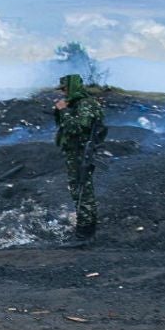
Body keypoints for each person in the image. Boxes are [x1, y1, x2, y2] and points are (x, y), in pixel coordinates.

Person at [53, 73, 107, 242]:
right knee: (78, 189)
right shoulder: (79, 103)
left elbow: (78, 128)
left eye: (65, 88)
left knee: (83, 190)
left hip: (81, 152)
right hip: (75, 152)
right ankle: (85, 228)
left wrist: (64, 111)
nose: (63, 92)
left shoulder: (85, 104)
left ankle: (85, 230)